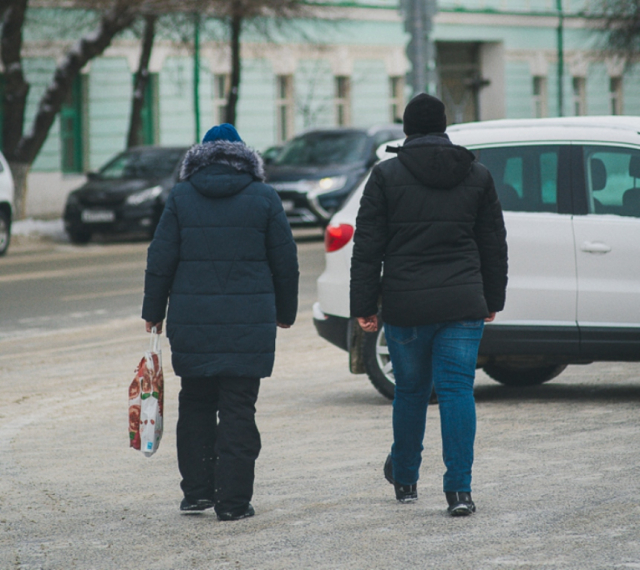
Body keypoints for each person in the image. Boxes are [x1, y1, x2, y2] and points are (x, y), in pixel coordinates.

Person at [350, 93, 508, 516]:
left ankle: (405, 478)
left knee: (411, 391)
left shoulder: (385, 175)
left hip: (406, 304)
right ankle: (460, 491)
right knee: (457, 391)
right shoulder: (477, 173)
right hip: (462, 301)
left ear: (407, 129)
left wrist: (363, 304)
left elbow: (367, 247)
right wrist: (493, 297)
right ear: (443, 127)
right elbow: (493, 243)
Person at [142, 123, 299, 521]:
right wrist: (285, 313)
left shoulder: (181, 196)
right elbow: (286, 262)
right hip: (249, 324)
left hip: (192, 322)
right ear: (244, 157)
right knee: (238, 409)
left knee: (195, 402)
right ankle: (233, 502)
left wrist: (153, 313)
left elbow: (160, 259)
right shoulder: (264, 197)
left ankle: (197, 492)